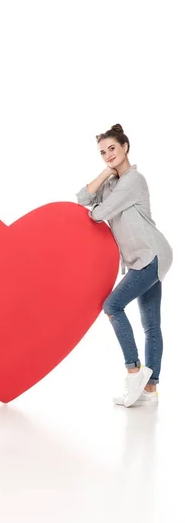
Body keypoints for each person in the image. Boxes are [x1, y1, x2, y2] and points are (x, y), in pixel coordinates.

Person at [76, 124, 172, 408]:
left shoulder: (134, 180)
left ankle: (134, 371)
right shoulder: (112, 181)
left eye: (112, 149)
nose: (108, 155)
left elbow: (98, 213)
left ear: (125, 147)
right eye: (103, 152)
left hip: (151, 254)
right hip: (139, 258)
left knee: (112, 306)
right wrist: (107, 171)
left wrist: (100, 201)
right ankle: (150, 390)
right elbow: (82, 198)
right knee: (151, 325)